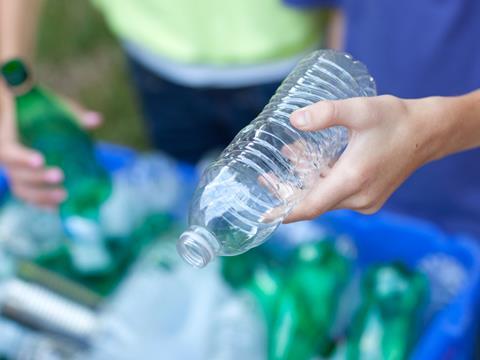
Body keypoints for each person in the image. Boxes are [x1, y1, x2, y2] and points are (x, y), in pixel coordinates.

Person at [0, 0, 325, 207]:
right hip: (154, 54)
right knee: (189, 191)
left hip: (282, 62)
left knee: (291, 204)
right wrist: (12, 91)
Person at [283, 1, 480, 239]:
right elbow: (342, 11)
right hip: (358, 180)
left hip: (465, 204)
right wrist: (335, 126)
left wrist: (430, 133)